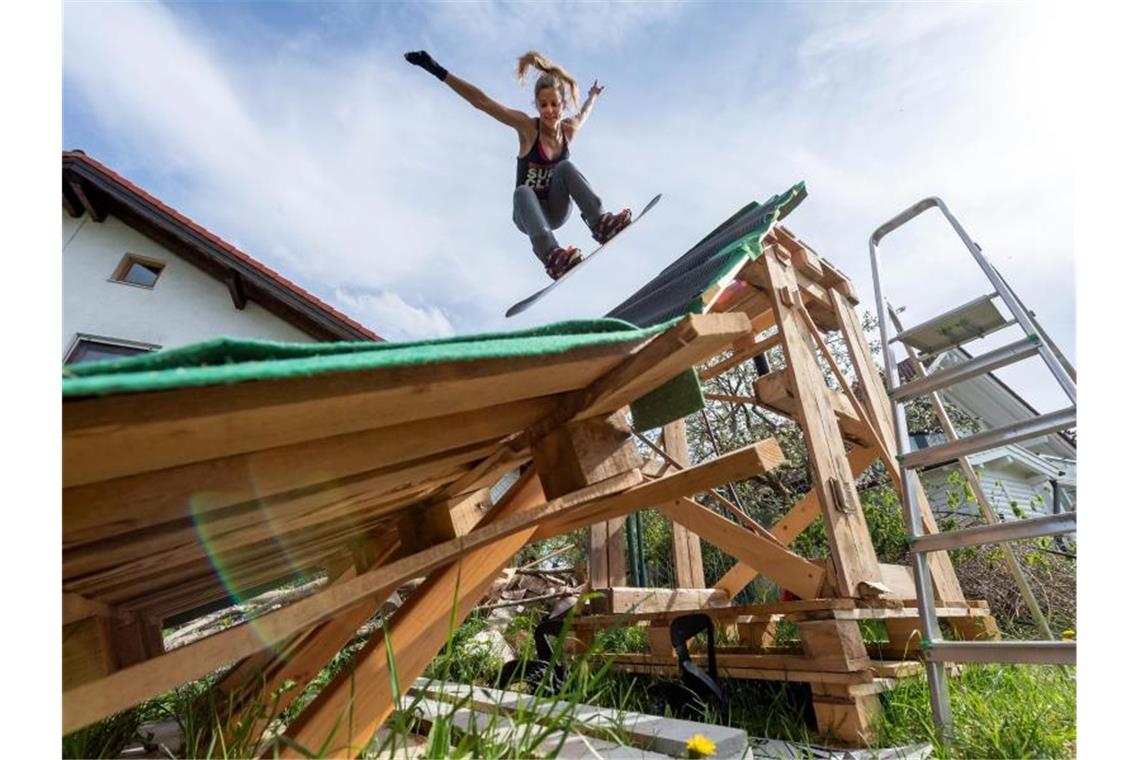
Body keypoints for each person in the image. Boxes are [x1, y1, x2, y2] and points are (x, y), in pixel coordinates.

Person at [404, 49, 631, 280]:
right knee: (523, 191)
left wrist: (593, 96)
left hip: (557, 210)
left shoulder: (568, 130)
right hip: (528, 215)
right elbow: (482, 102)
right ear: (537, 106)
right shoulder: (527, 128)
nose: (550, 111)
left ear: (562, 106)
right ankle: (552, 256)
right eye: (543, 106)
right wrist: (435, 69)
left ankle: (602, 223)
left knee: (565, 168)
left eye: (554, 104)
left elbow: (583, 114)